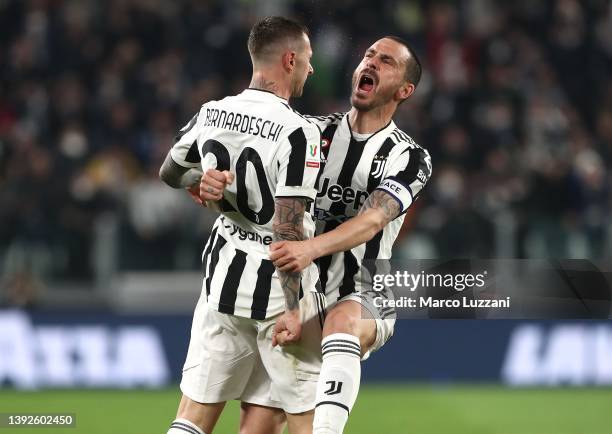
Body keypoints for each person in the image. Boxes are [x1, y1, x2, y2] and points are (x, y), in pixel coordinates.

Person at [201, 36, 432, 434]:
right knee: (256, 427)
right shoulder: (309, 134)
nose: (371, 63)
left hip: (362, 288)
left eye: (387, 61)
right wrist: (214, 185)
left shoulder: (409, 156)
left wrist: (311, 247)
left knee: (342, 323)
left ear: (405, 90)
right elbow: (255, 188)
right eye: (368, 55)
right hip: (295, 294)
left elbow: (373, 220)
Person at [159, 16, 326, 434]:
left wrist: (200, 181)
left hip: (222, 277)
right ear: (290, 60)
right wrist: (293, 307)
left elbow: (169, 171)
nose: (312, 69)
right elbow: (288, 231)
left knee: (193, 416)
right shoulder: (297, 131)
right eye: (307, 59)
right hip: (276, 288)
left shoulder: (213, 112)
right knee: (302, 418)